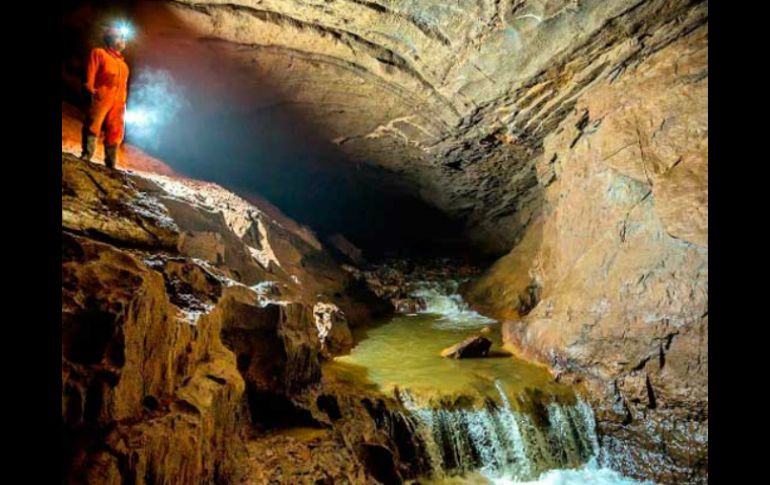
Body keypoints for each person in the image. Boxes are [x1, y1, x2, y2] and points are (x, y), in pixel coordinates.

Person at [81, 25, 131, 168]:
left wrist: (123, 103)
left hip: (119, 101)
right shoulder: (99, 53)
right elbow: (90, 74)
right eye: (119, 37)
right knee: (93, 124)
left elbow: (124, 87)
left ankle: (111, 163)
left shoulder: (124, 66)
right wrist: (90, 89)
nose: (123, 41)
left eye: (123, 38)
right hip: (102, 96)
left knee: (115, 131)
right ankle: (87, 155)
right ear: (110, 39)